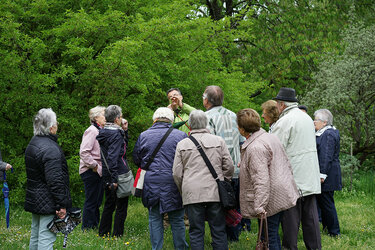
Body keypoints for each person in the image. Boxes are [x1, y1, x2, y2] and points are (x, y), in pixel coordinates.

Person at [237, 108, 299, 250]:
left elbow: (261, 180)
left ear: (242, 129)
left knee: (268, 236)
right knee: (272, 233)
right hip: (281, 191)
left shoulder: (256, 147)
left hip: (270, 197)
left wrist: (260, 207)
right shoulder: (270, 137)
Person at [173, 110, 234, 250]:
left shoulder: (182, 144)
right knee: (218, 230)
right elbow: (229, 166)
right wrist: (224, 180)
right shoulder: (218, 141)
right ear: (205, 123)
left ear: (190, 124)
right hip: (215, 191)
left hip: (192, 193)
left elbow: (176, 173)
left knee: (195, 231)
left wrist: (183, 189)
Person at [271, 87, 321, 250]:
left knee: (291, 221)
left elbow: (275, 149)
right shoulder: (306, 118)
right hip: (309, 176)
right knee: (311, 219)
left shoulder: (285, 121)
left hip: (293, 178)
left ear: (281, 105)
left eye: (277, 105)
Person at [133, 107, 188, 250]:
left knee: (154, 218)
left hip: (152, 181)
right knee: (177, 219)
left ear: (154, 119)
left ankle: (156, 248)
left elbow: (137, 159)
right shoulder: (180, 136)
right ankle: (180, 248)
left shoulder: (143, 135)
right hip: (174, 182)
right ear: (171, 120)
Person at [202, 85, 249, 240]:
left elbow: (209, 144)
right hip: (236, 167)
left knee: (221, 206)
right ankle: (235, 236)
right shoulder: (233, 115)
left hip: (219, 171)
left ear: (207, 100)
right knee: (234, 203)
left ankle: (225, 238)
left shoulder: (206, 117)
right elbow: (243, 141)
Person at [24, 108, 72, 250]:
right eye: (56, 123)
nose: (57, 125)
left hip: (35, 197)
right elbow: (55, 181)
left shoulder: (33, 143)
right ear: (51, 127)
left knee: (36, 236)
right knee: (46, 238)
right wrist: (61, 204)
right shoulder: (50, 148)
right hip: (48, 200)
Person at [97, 105, 130, 237]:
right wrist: (114, 180)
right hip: (117, 173)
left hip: (107, 172)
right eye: (121, 116)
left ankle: (103, 233)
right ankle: (117, 235)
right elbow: (113, 157)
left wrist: (125, 131)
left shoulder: (104, 132)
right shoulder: (116, 134)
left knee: (109, 205)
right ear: (117, 119)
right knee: (121, 206)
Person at [314, 109, 342, 237]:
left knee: (327, 204)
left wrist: (321, 174)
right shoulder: (324, 133)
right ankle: (327, 229)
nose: (314, 122)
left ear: (324, 122)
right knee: (324, 203)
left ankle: (334, 232)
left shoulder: (328, 134)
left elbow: (326, 155)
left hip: (328, 175)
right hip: (327, 174)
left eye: (316, 120)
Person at [79, 106, 106, 230]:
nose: (106, 117)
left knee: (97, 200)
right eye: (103, 115)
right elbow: (84, 152)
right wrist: (94, 166)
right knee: (91, 201)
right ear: (96, 118)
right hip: (90, 171)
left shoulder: (100, 130)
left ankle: (94, 226)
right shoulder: (92, 131)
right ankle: (87, 228)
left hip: (98, 170)